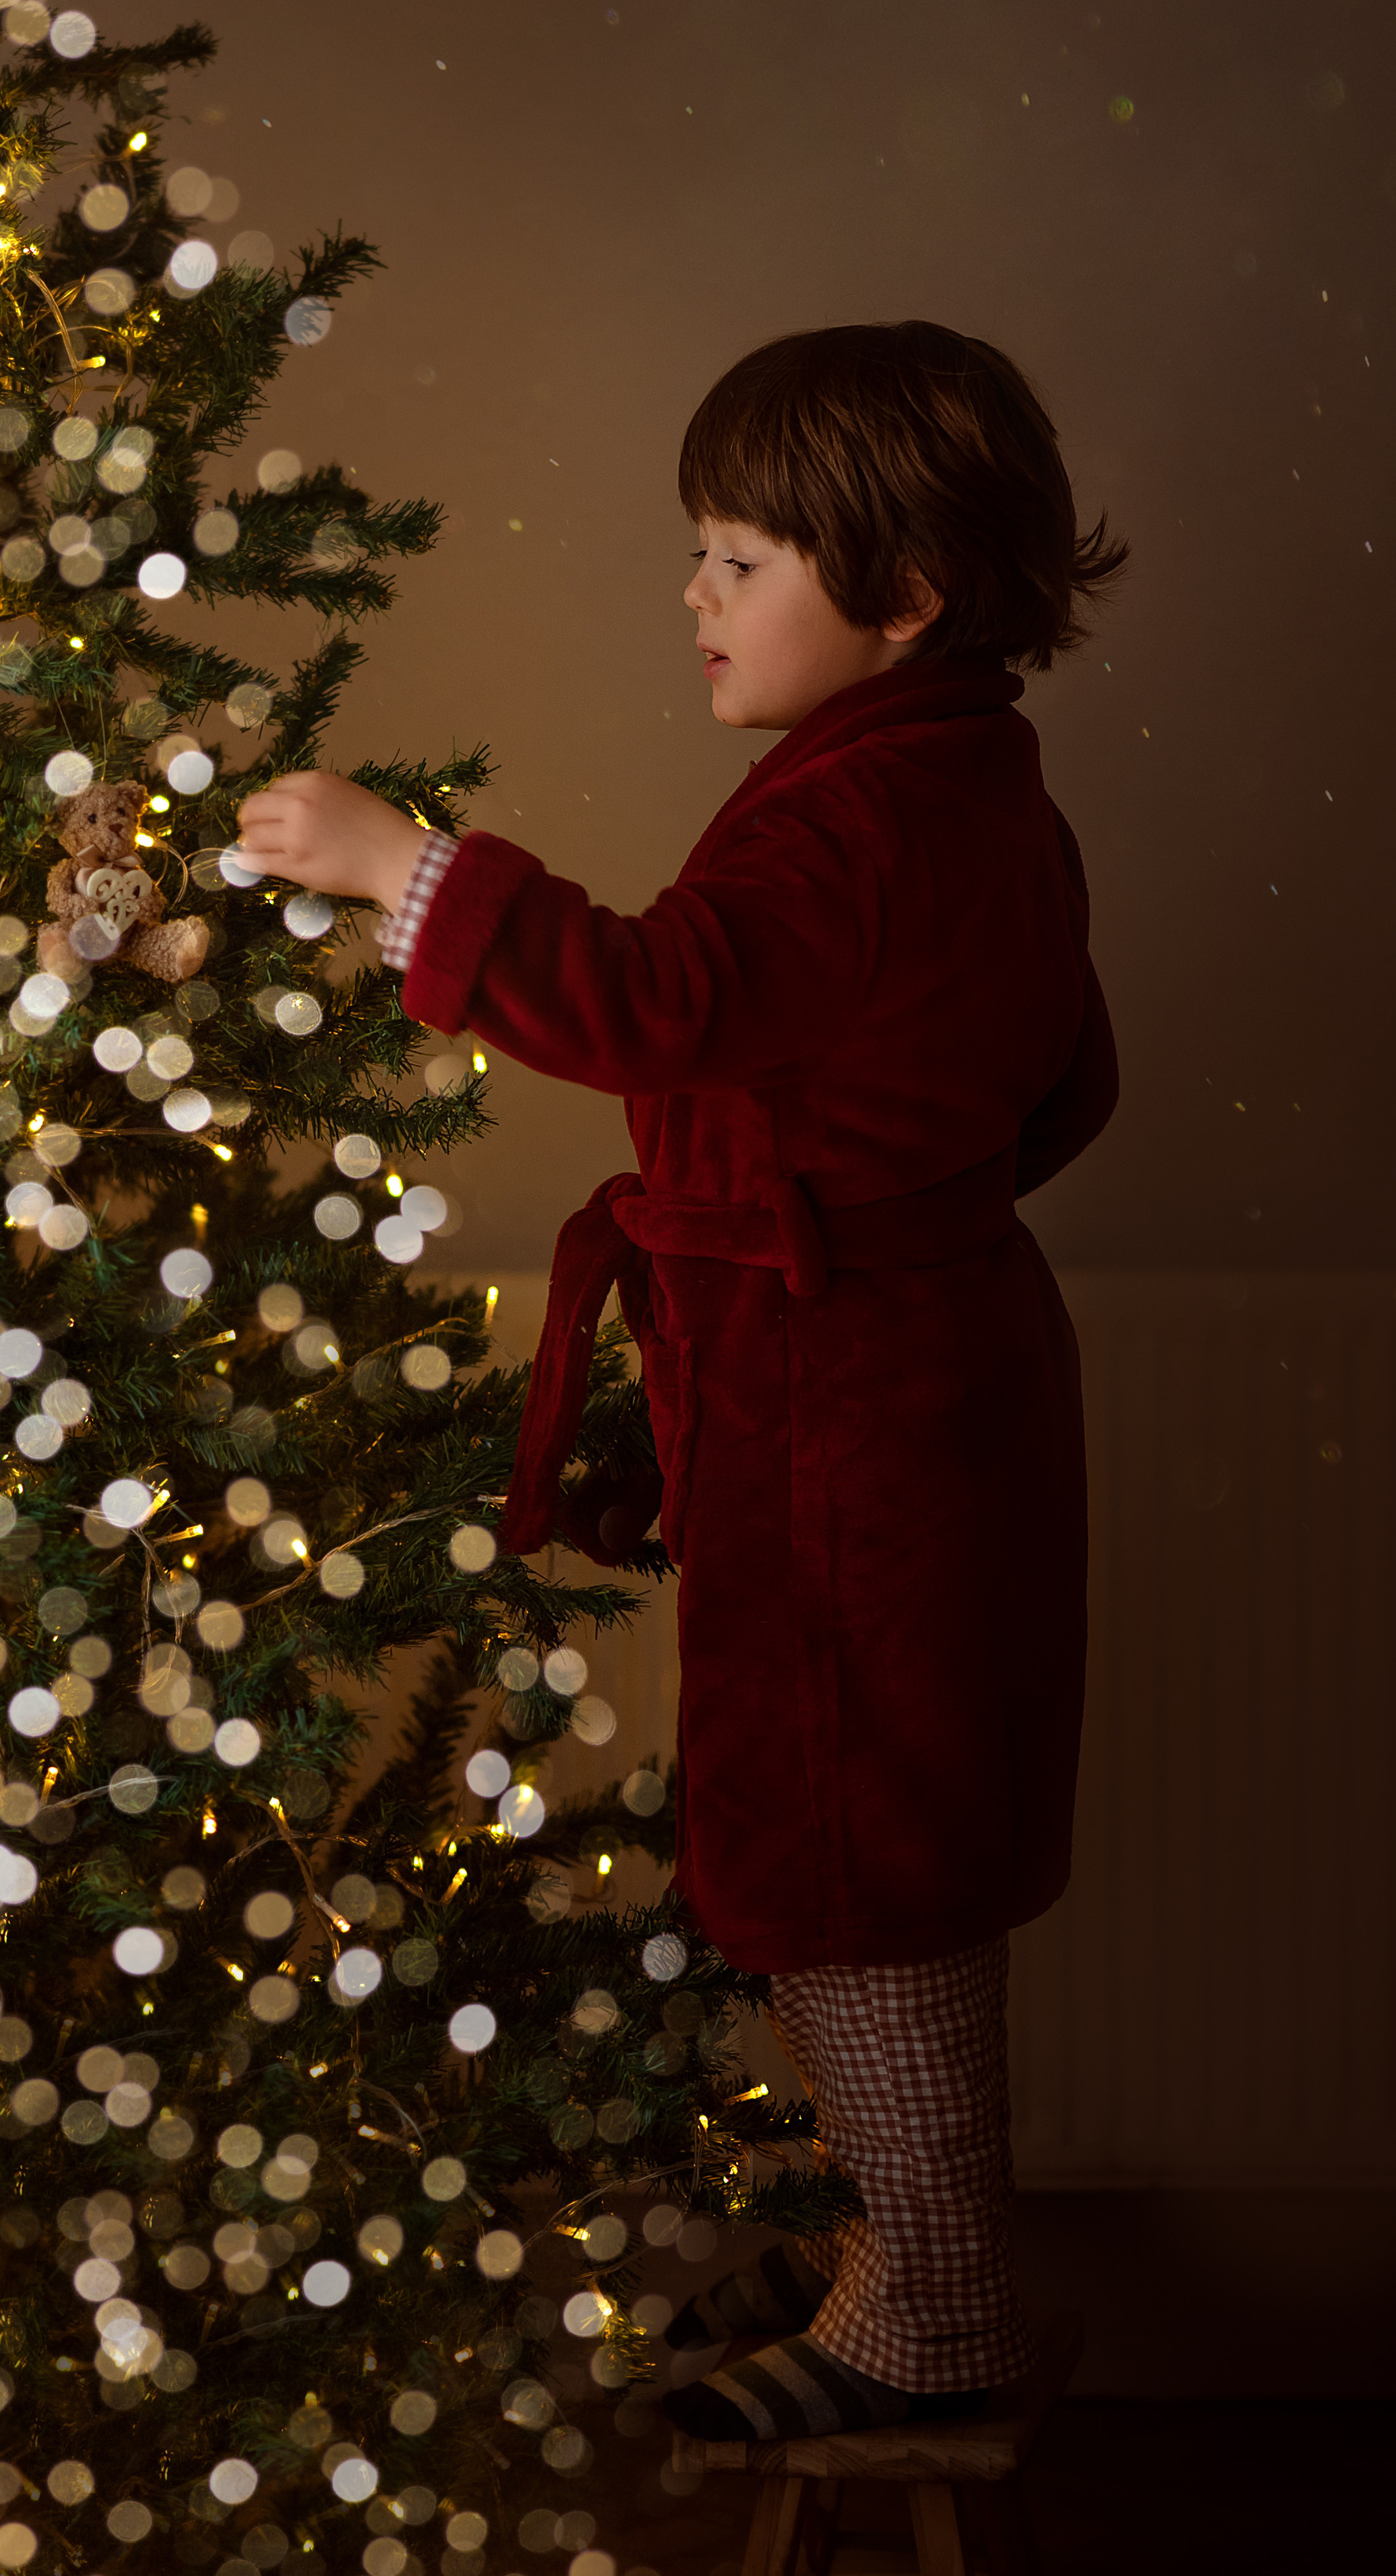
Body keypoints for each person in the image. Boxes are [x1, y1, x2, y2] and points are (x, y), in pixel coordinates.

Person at [233, 320, 1125, 2443]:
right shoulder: (959, 784)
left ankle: (944, 2307)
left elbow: (658, 1000)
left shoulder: (866, 819)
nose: (696, 595)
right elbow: (1070, 1079)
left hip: (857, 1405)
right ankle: (897, 2254)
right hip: (902, 1361)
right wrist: (883, 1205)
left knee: (851, 1845)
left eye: (741, 557)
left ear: (899, 596)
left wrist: (403, 867)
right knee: (853, 1825)